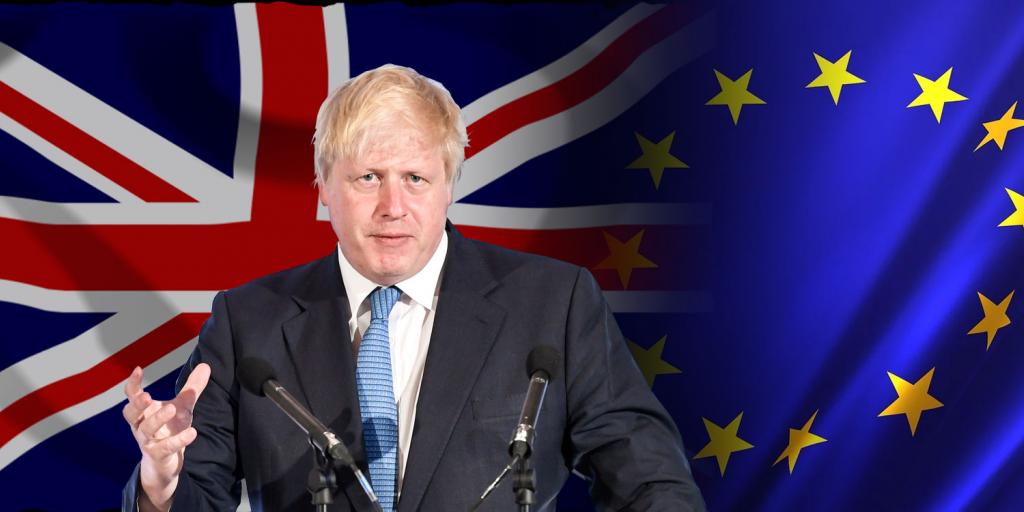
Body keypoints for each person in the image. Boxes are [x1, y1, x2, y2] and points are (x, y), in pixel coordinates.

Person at [121, 64, 705, 511]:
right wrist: (161, 481)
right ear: (323, 186)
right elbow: (194, 493)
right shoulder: (247, 322)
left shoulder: (554, 305)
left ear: (449, 184)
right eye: (368, 177)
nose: (392, 207)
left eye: (416, 178)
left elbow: (651, 482)